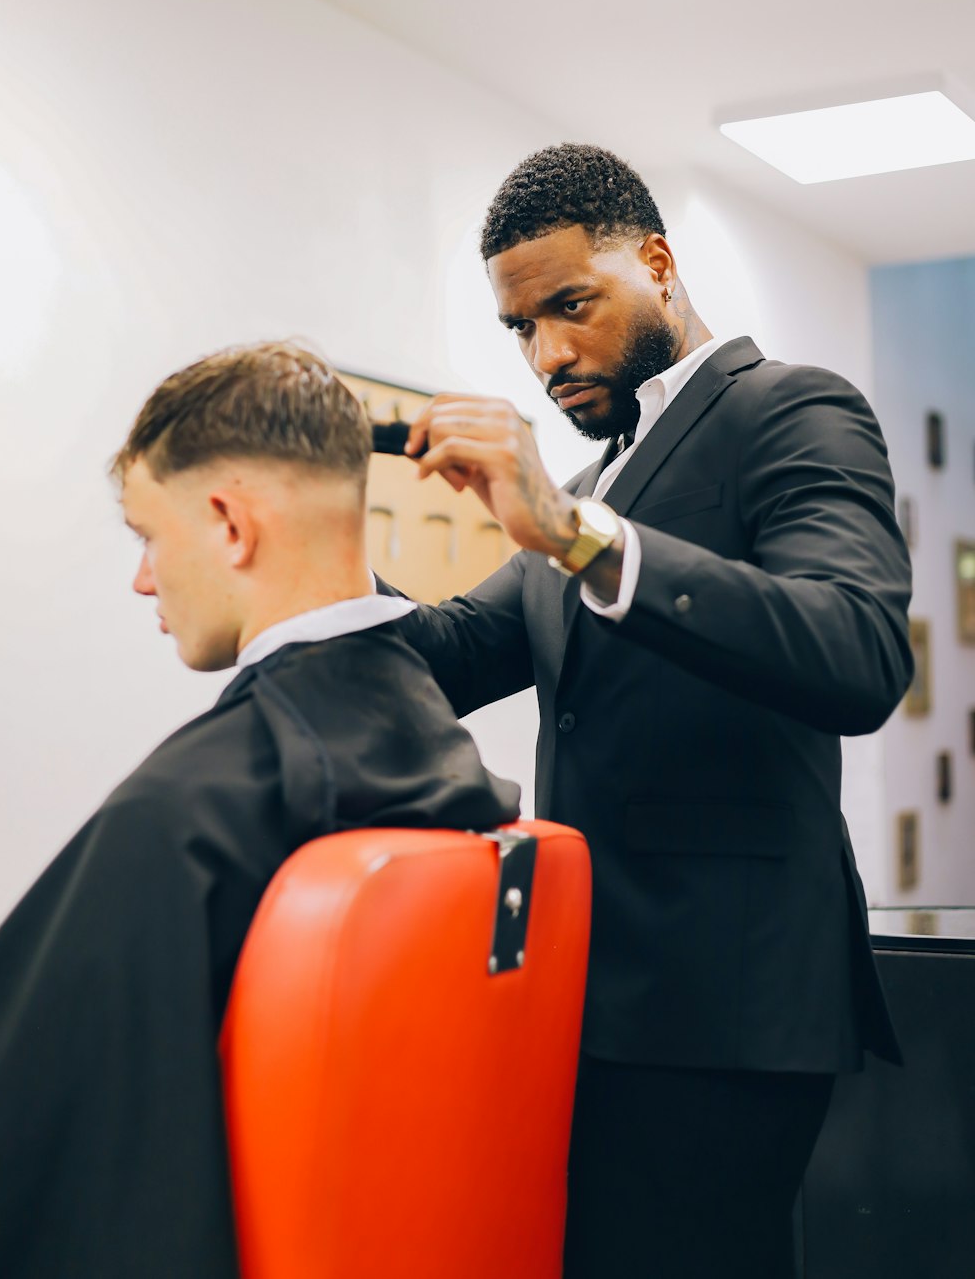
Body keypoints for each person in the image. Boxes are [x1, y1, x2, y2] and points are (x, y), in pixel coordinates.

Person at [388, 143, 913, 1278]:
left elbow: (858, 650)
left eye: (569, 307)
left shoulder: (789, 410)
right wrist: (306, 551)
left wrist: (581, 541)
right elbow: (446, 653)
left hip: (730, 1011)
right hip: (588, 996)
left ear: (659, 265)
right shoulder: (582, 496)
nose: (548, 354)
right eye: (519, 329)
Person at [0, 341, 520, 1279]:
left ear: (230, 524)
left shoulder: (179, 818)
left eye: (147, 534)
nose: (143, 579)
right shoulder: (432, 751)